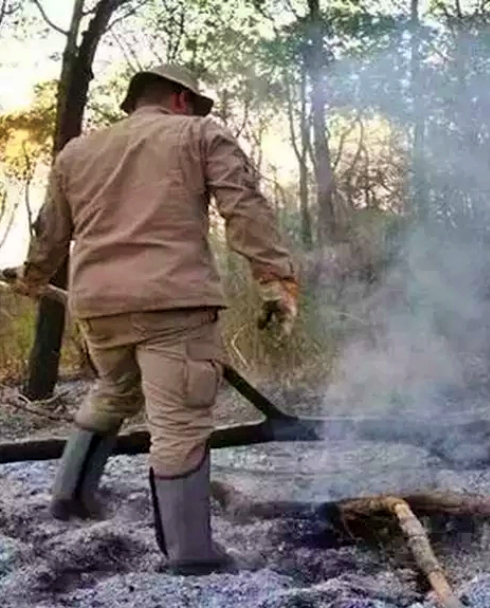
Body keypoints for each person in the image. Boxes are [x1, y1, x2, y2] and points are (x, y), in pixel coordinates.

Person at [11, 64, 299, 575]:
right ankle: (191, 554)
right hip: (174, 304)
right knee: (180, 422)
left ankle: (70, 499)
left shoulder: (78, 152)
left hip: (98, 307)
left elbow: (51, 230)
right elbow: (244, 207)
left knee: (114, 392)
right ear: (182, 100)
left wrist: (34, 276)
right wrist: (275, 279)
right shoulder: (200, 133)